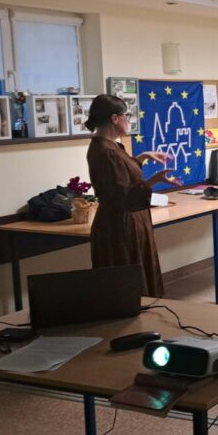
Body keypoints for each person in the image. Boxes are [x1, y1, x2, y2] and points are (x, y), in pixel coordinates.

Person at [85, 94, 180, 297]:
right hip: (119, 226)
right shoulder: (105, 151)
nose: (129, 119)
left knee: (140, 273)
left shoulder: (111, 147)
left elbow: (123, 176)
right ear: (114, 118)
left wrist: (143, 157)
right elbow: (123, 196)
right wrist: (154, 180)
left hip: (128, 221)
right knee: (127, 281)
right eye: (126, 115)